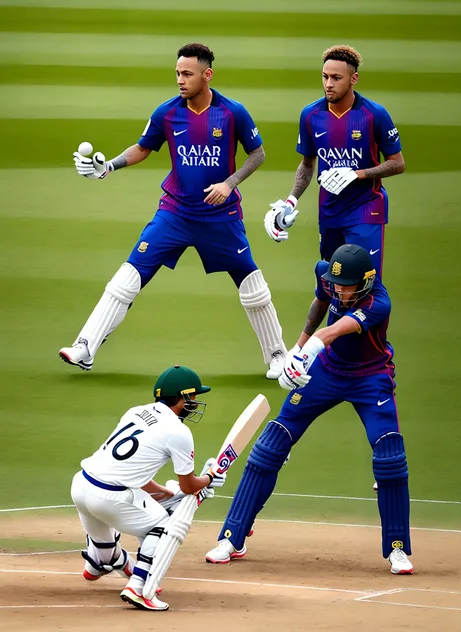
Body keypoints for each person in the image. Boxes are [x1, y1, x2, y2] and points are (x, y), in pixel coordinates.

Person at [60, 42, 287, 379]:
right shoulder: (167, 112)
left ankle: (278, 356)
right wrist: (108, 166)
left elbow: (258, 154)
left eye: (187, 74)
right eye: (178, 73)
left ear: (207, 75)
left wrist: (230, 183)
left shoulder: (232, 112)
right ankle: (85, 347)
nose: (180, 80)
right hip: (175, 212)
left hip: (220, 217)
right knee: (129, 276)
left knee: (252, 284)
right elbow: (142, 148)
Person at [205, 245, 413, 575]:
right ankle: (232, 537)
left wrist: (307, 351)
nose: (340, 292)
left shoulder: (378, 303)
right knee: (271, 444)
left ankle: (397, 549)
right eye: (336, 284)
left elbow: (333, 331)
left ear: (366, 282)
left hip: (370, 376)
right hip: (327, 372)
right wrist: (296, 348)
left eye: (348, 287)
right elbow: (320, 304)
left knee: (389, 455)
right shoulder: (326, 275)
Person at [71, 365, 227, 611]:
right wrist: (209, 477)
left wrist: (161, 492)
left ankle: (103, 560)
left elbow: (128, 468)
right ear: (182, 397)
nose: (196, 402)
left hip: (81, 486)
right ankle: (138, 587)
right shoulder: (179, 431)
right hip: (110, 498)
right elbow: (188, 486)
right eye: (194, 396)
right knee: (164, 525)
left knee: (123, 529)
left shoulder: (137, 411)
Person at [264, 45, 405, 277]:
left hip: (366, 208)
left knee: (366, 283)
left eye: (336, 78)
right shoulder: (310, 115)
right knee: (334, 283)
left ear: (354, 79)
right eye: (325, 77)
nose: (329, 84)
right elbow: (307, 164)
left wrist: (357, 174)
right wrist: (290, 201)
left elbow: (398, 163)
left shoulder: (374, 114)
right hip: (329, 211)